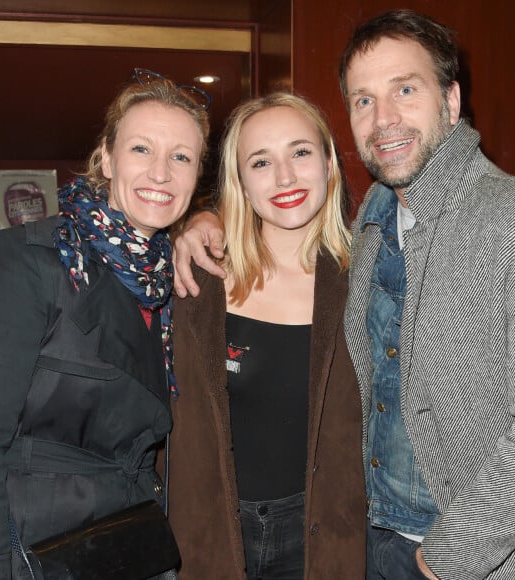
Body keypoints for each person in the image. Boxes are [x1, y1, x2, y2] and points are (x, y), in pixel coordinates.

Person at [172, 9, 515, 580]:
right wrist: (200, 219)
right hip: (362, 544)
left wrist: (441, 558)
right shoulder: (371, 233)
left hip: (464, 560)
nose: (383, 118)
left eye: (405, 89)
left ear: (451, 102)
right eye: (362, 99)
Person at [0, 68, 210, 579]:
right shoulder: (31, 260)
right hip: (34, 552)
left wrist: (206, 219)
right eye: (141, 150)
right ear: (106, 158)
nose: (161, 173)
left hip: (127, 544)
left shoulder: (170, 278)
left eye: (181, 156)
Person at [166, 92, 366, 580]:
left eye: (300, 152)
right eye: (261, 161)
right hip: (207, 532)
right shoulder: (196, 279)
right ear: (240, 183)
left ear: (328, 164)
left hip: (320, 536)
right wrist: (199, 219)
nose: (284, 177)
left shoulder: (369, 280)